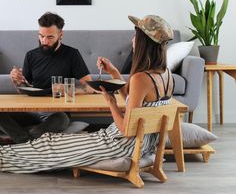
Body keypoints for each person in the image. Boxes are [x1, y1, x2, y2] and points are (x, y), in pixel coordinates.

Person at [0, 15, 175, 173]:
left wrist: (111, 102)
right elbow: (133, 99)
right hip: (141, 143)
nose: (132, 40)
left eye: (136, 36)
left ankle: (4, 157)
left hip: (118, 143)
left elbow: (126, 130)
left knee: (50, 144)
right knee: (52, 140)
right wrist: (114, 73)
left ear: (145, 42)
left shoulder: (140, 78)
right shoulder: (165, 75)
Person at [0, 12, 92, 144]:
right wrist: (17, 81)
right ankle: (25, 140)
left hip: (56, 113)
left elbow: (90, 86)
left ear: (61, 35)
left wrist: (69, 89)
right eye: (41, 36)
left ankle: (17, 139)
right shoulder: (31, 55)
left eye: (50, 37)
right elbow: (24, 89)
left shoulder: (72, 54)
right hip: (32, 111)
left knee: (62, 119)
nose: (44, 41)